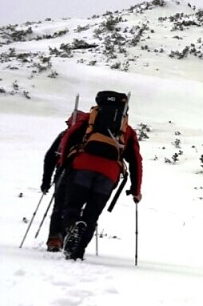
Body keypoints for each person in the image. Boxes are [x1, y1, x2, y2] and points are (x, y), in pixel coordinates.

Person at [58, 92, 143, 261]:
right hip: (109, 174)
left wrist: (63, 163)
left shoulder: (90, 119)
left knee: (72, 205)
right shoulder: (126, 131)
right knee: (92, 214)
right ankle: (77, 253)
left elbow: (69, 137)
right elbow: (136, 161)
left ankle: (74, 225)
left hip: (82, 166)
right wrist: (136, 190)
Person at [40, 111, 87, 252]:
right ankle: (70, 239)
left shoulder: (65, 135)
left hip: (63, 174)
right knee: (76, 208)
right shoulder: (91, 136)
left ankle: (55, 238)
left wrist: (46, 181)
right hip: (84, 177)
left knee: (59, 206)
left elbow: (50, 158)